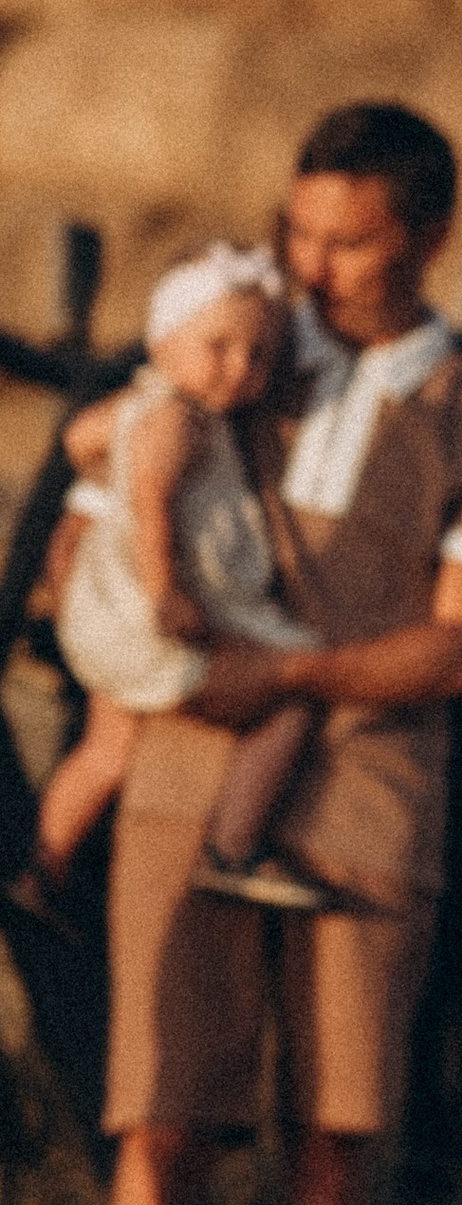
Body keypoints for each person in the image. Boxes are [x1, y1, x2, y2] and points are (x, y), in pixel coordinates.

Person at [97, 103, 462, 1205]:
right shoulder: (233, 355)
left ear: (428, 238)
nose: (312, 264)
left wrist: (282, 675)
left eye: (347, 241)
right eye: (297, 232)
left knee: (334, 1137)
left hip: (367, 800)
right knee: (164, 1116)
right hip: (184, 780)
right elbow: (113, 474)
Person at [25, 246, 334, 915]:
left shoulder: (144, 406)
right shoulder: (178, 418)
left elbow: (80, 433)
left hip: (112, 620)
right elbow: (154, 505)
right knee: (291, 699)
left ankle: (41, 869)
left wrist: (94, 453)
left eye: (257, 356)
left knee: (107, 751)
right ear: (163, 341)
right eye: (218, 346)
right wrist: (168, 592)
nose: (240, 369)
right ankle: (231, 847)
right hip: (153, 619)